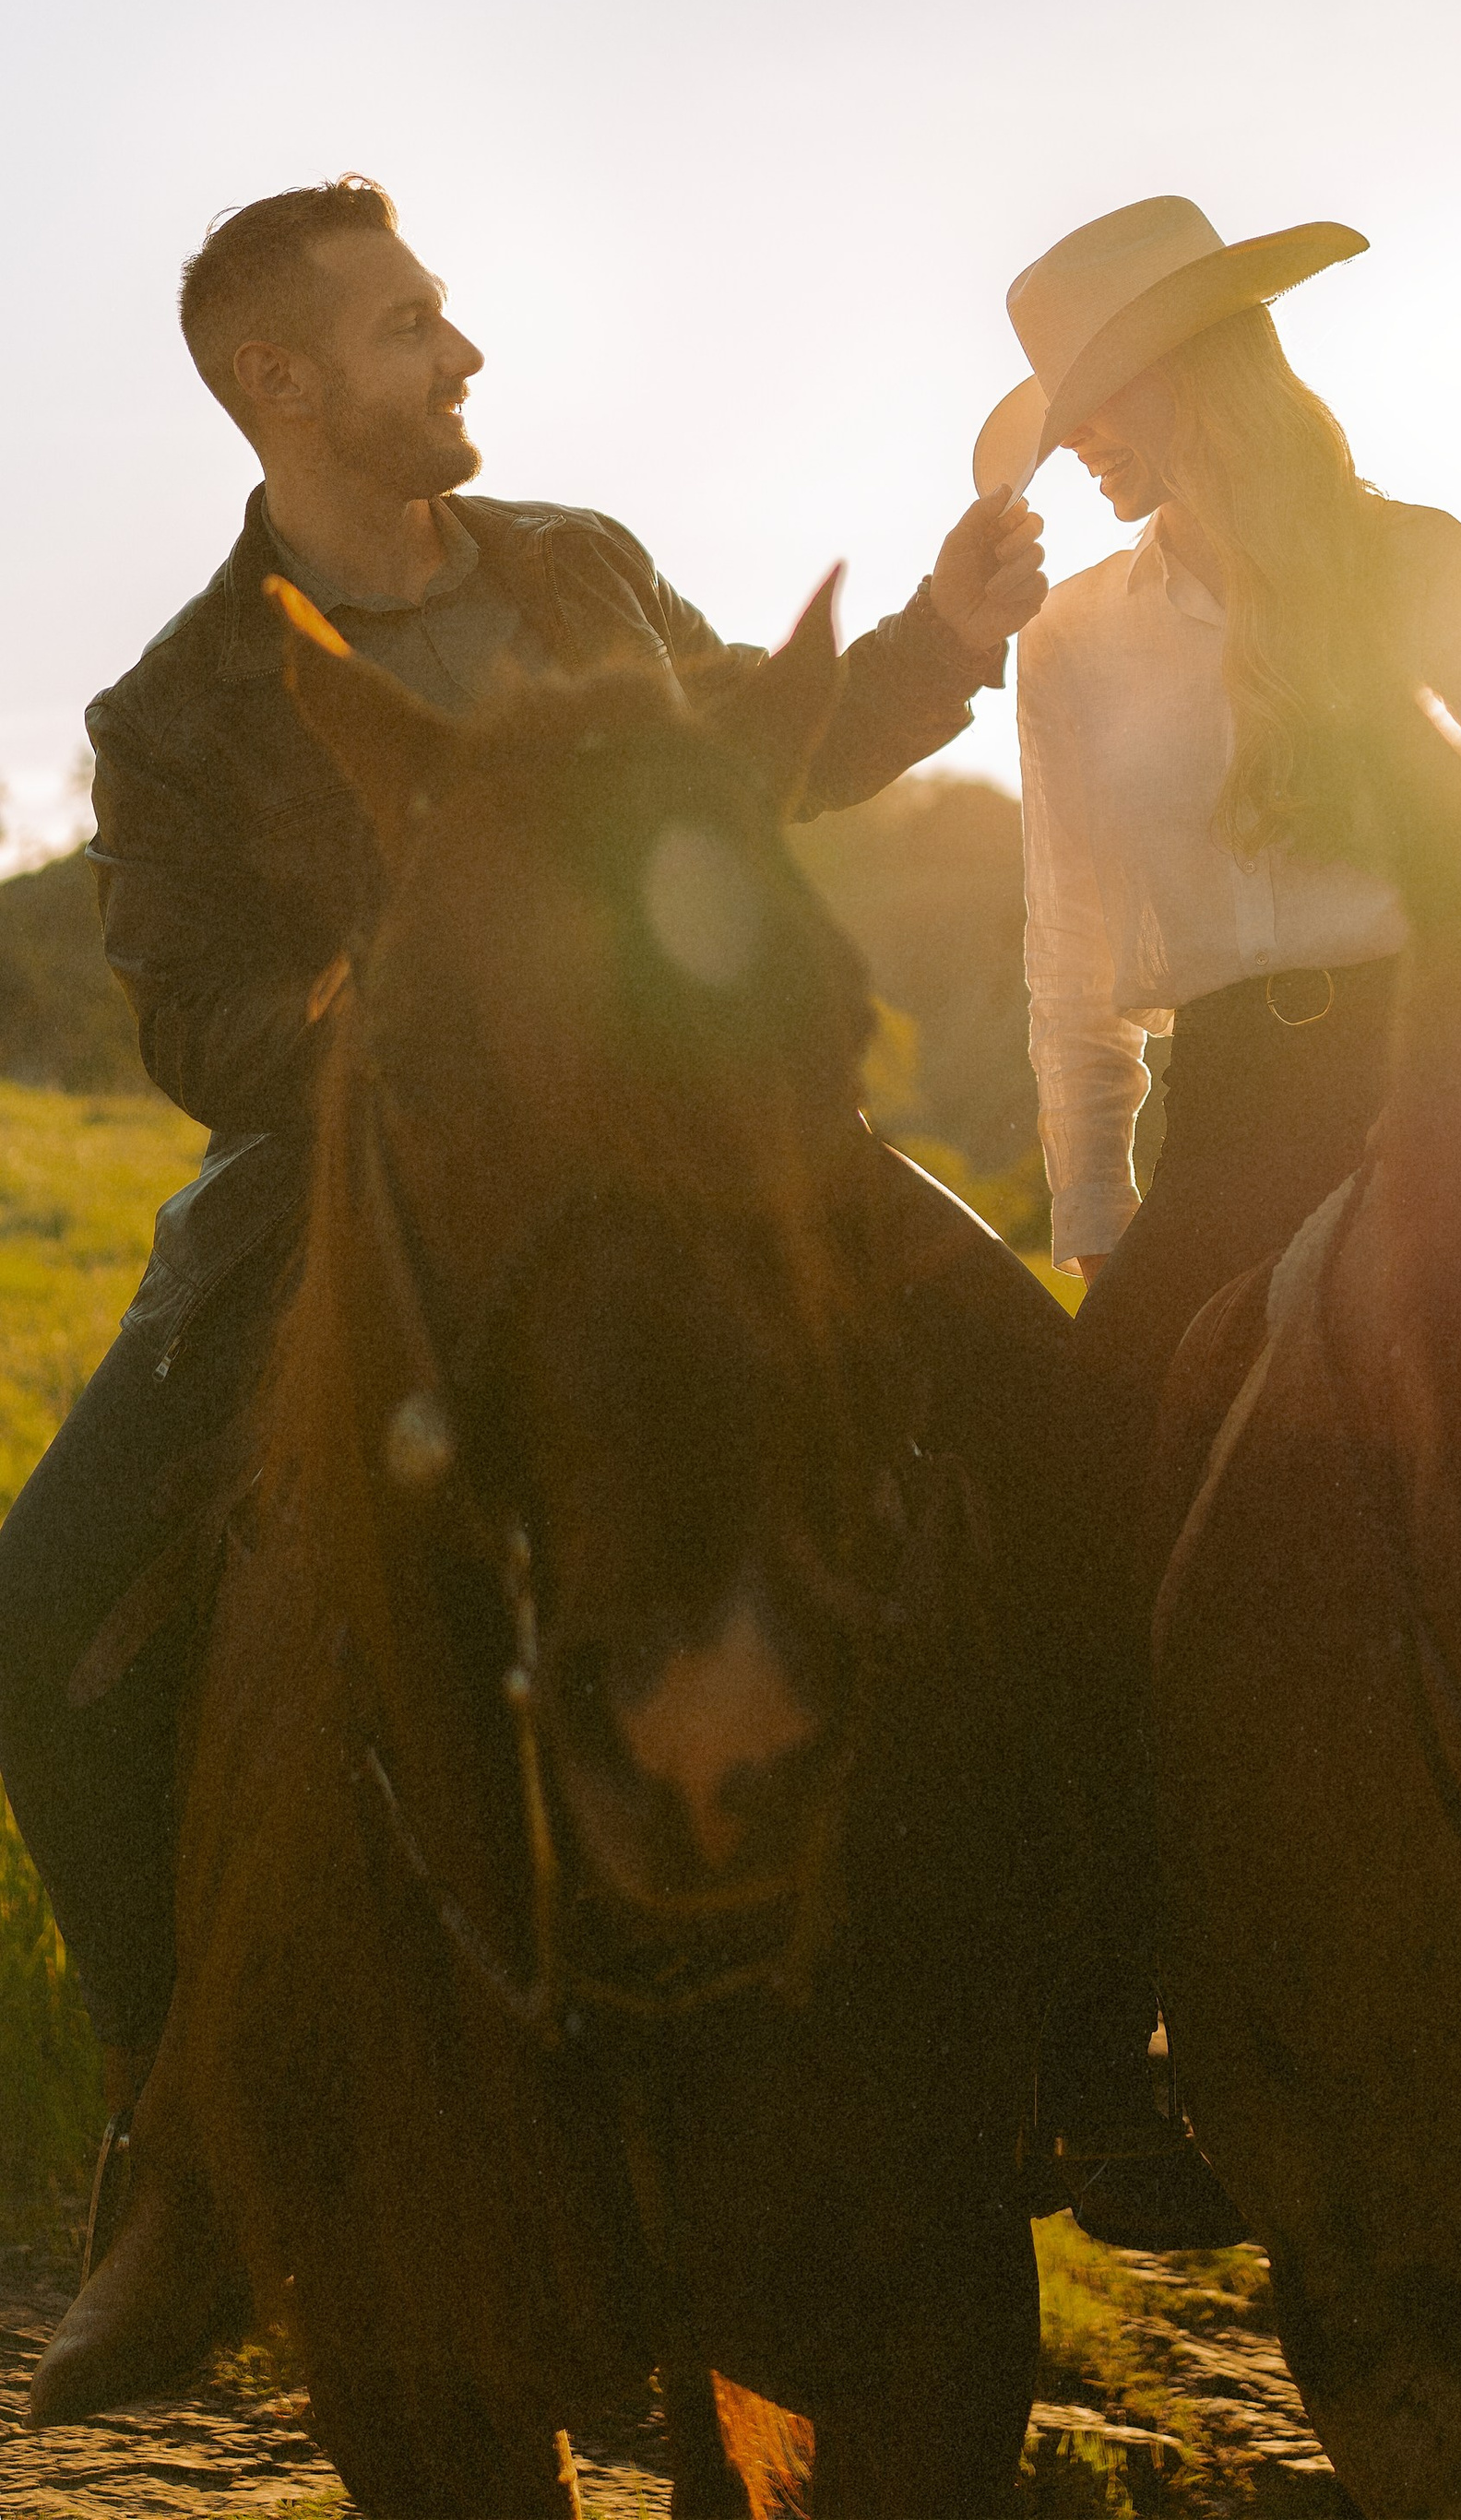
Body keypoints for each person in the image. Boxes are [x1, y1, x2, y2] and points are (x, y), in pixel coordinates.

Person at [0, 173, 1057, 2419]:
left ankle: (1116, 2025)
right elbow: (189, 1013)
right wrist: (414, 1030)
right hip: (365, 1178)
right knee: (41, 1605)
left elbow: (746, 759)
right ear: (277, 383)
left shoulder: (574, 571)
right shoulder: (178, 703)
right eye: (406, 329)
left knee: (1054, 1414)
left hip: (692, 1130)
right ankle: (175, 2124)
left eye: (447, 317)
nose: (461, 356)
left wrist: (949, 639)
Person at [984, 193, 1461, 2235]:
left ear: (1196, 371)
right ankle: (1092, 2063)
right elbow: (1065, 959)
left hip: (1444, 1077)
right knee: (1061, 1513)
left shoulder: (1420, 562)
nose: (1085, 450)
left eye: (1101, 407)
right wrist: (1097, 1220)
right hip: (1228, 1113)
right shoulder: (1071, 642)